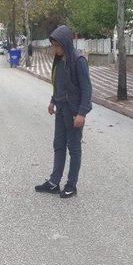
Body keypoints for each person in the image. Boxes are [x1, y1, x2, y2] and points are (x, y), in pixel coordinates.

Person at [35, 25, 92, 198]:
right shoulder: (59, 61)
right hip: (61, 110)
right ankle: (54, 182)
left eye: (57, 45)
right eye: (53, 45)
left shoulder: (78, 61)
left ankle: (71, 185)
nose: (55, 49)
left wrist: (82, 113)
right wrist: (53, 101)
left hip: (74, 112)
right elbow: (58, 84)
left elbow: (87, 90)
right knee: (58, 145)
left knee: (73, 148)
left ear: (66, 43)